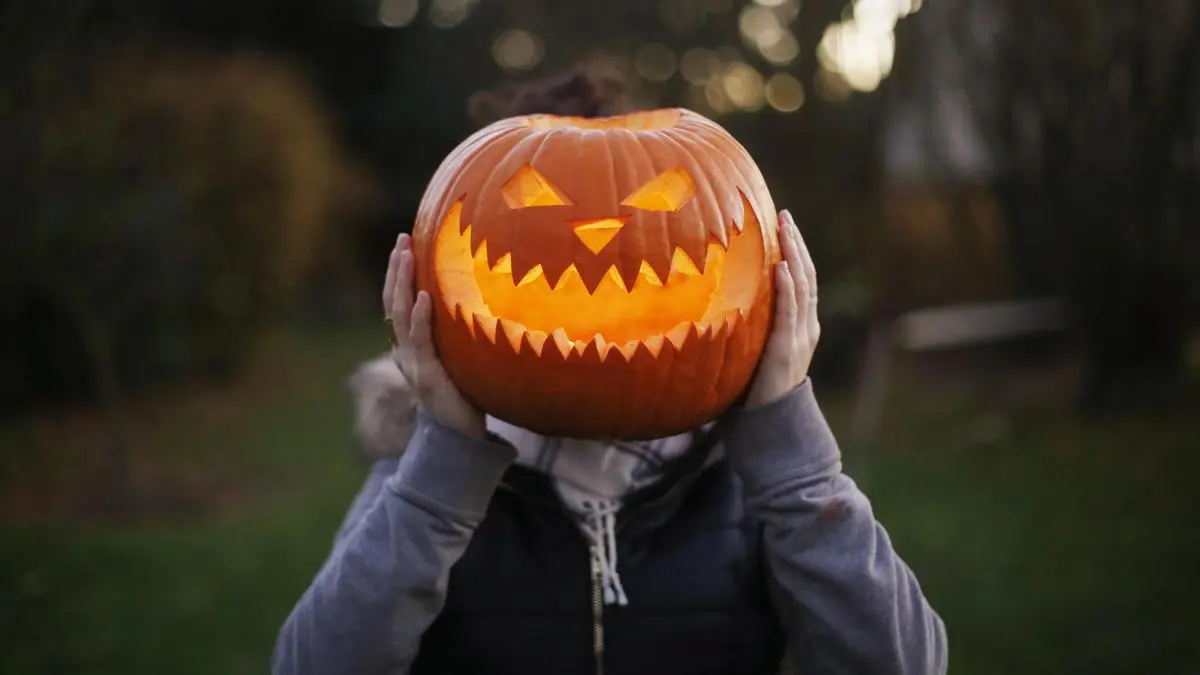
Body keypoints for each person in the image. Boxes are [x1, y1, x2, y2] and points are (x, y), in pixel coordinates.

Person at [272, 63, 947, 675]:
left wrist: (791, 453)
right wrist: (444, 458)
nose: (597, 233)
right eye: (533, 201)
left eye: (656, 199)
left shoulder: (756, 490)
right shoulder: (424, 483)